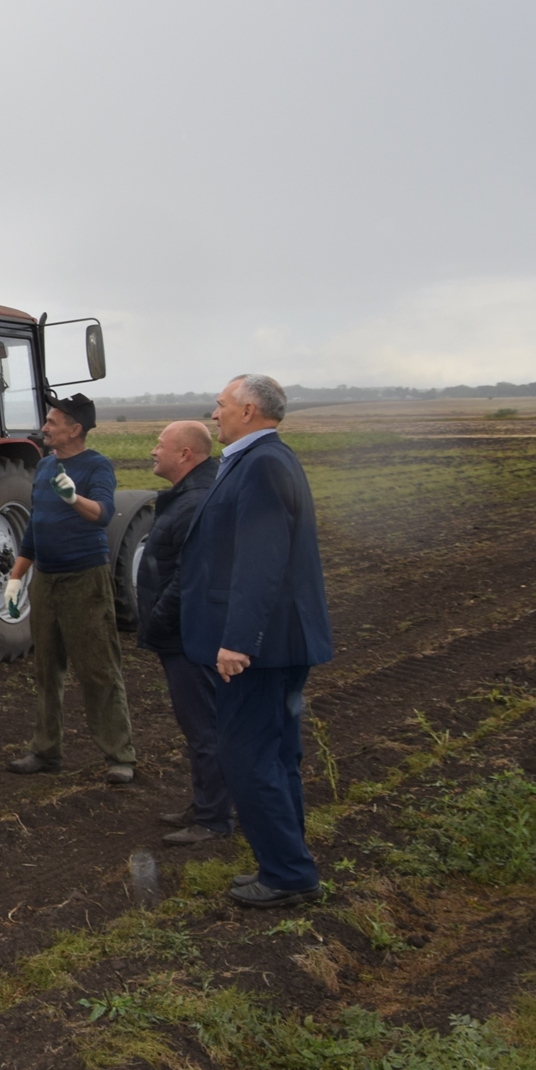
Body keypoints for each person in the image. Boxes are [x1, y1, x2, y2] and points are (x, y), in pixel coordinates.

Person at [180, 374, 333, 910]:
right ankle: (288, 861)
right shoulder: (264, 459)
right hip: (282, 641)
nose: (214, 413)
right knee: (277, 754)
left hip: (264, 647)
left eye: (221, 405)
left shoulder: (264, 463)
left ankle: (288, 873)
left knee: (248, 756)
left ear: (248, 410)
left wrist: (238, 640)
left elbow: (261, 560)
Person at [3, 392, 136, 784]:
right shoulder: (44, 467)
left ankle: (120, 755)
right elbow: (35, 528)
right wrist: (15, 577)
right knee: (46, 670)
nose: (45, 427)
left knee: (98, 669)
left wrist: (74, 498)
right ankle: (46, 751)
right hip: (45, 579)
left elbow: (103, 514)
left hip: (85, 580)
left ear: (75, 429)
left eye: (53, 422)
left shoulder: (97, 466)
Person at [135, 421, 227, 845]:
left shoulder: (194, 503)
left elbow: (187, 578)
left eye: (160, 444)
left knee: (205, 726)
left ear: (186, 454)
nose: (154, 451)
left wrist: (156, 622)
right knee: (200, 726)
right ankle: (206, 804)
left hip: (188, 635)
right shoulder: (191, 496)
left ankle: (213, 818)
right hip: (184, 633)